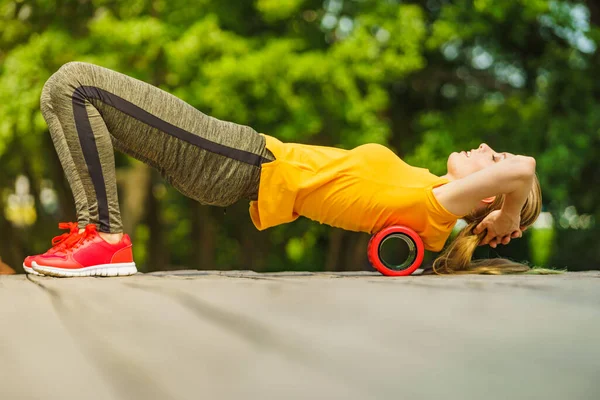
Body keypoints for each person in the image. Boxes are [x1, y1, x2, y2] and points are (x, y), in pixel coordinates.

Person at [26, 61, 541, 277]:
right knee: (68, 93)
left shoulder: (431, 213)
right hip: (238, 158)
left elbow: (525, 171)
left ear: (487, 197)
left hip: (238, 160)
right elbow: (513, 174)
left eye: (492, 159)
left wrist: (507, 218)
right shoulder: (426, 191)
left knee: (75, 83)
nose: (484, 147)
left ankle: (105, 238)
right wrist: (499, 211)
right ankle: (98, 234)